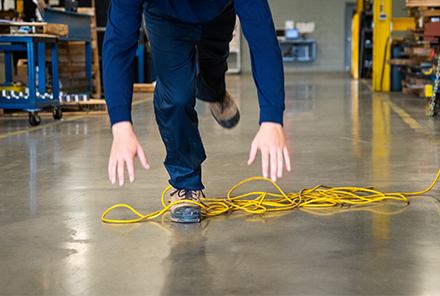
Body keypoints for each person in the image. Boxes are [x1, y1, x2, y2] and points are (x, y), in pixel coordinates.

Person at [102, 0, 291, 223]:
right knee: (176, 97)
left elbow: (263, 39)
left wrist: (272, 119)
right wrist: (121, 125)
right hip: (166, 19)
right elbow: (119, 44)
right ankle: (186, 184)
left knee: (212, 76)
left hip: (218, 16)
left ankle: (214, 94)